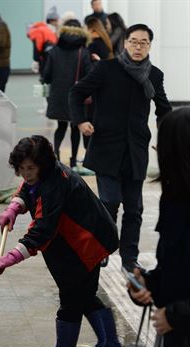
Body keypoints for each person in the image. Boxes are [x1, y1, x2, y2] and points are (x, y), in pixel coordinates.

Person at [0, 135, 121, 347]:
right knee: (84, 294)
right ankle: (109, 342)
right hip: (71, 241)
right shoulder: (42, 176)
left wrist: (10, 258)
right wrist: (15, 206)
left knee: (72, 295)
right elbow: (28, 188)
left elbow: (42, 229)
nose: (26, 173)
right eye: (21, 168)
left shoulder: (54, 184)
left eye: (31, 168)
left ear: (43, 164)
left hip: (86, 241)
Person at [69, 23, 172, 271]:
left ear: (149, 45)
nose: (138, 47)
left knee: (134, 208)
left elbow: (163, 109)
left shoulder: (154, 75)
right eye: (134, 41)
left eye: (143, 42)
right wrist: (81, 120)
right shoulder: (105, 69)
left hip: (136, 150)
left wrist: (167, 137)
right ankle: (102, 248)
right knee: (110, 201)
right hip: (106, 148)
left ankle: (129, 259)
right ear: (125, 43)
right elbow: (76, 93)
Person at [127, 107, 190, 347]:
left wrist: (178, 315)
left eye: (160, 144)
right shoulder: (174, 200)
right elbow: (174, 267)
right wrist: (145, 284)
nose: (155, 151)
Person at [42, 19, 91, 168]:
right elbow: (89, 74)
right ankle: (73, 160)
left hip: (58, 95)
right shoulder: (83, 52)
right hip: (76, 96)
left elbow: (47, 75)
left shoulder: (54, 51)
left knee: (60, 126)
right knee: (75, 127)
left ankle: (56, 156)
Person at [27, 6, 58, 74]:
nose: (58, 22)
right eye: (57, 19)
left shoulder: (50, 30)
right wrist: (36, 60)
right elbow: (37, 46)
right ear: (52, 20)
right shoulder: (45, 30)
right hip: (46, 59)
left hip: (48, 59)